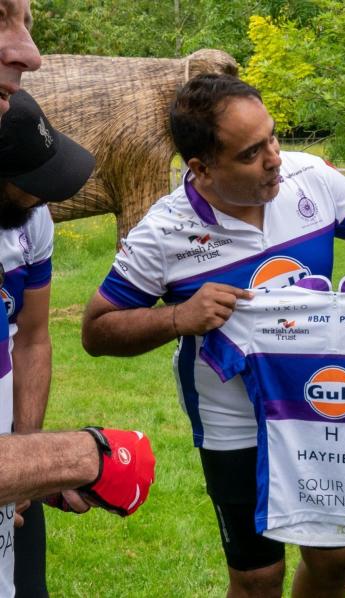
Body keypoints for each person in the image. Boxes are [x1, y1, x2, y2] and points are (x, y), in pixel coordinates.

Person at [81, 73, 345, 598]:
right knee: (257, 578)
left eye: (273, 137)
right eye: (251, 153)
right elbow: (96, 329)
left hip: (322, 397)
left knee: (337, 556)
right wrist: (178, 318)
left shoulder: (309, 177)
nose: (274, 159)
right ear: (202, 167)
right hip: (233, 418)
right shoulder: (163, 233)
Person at [0, 19, 157, 592]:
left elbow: (33, 336)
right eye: (30, 182)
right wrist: (87, 455)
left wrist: (28, 459)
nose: (45, 196)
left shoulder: (30, 225)